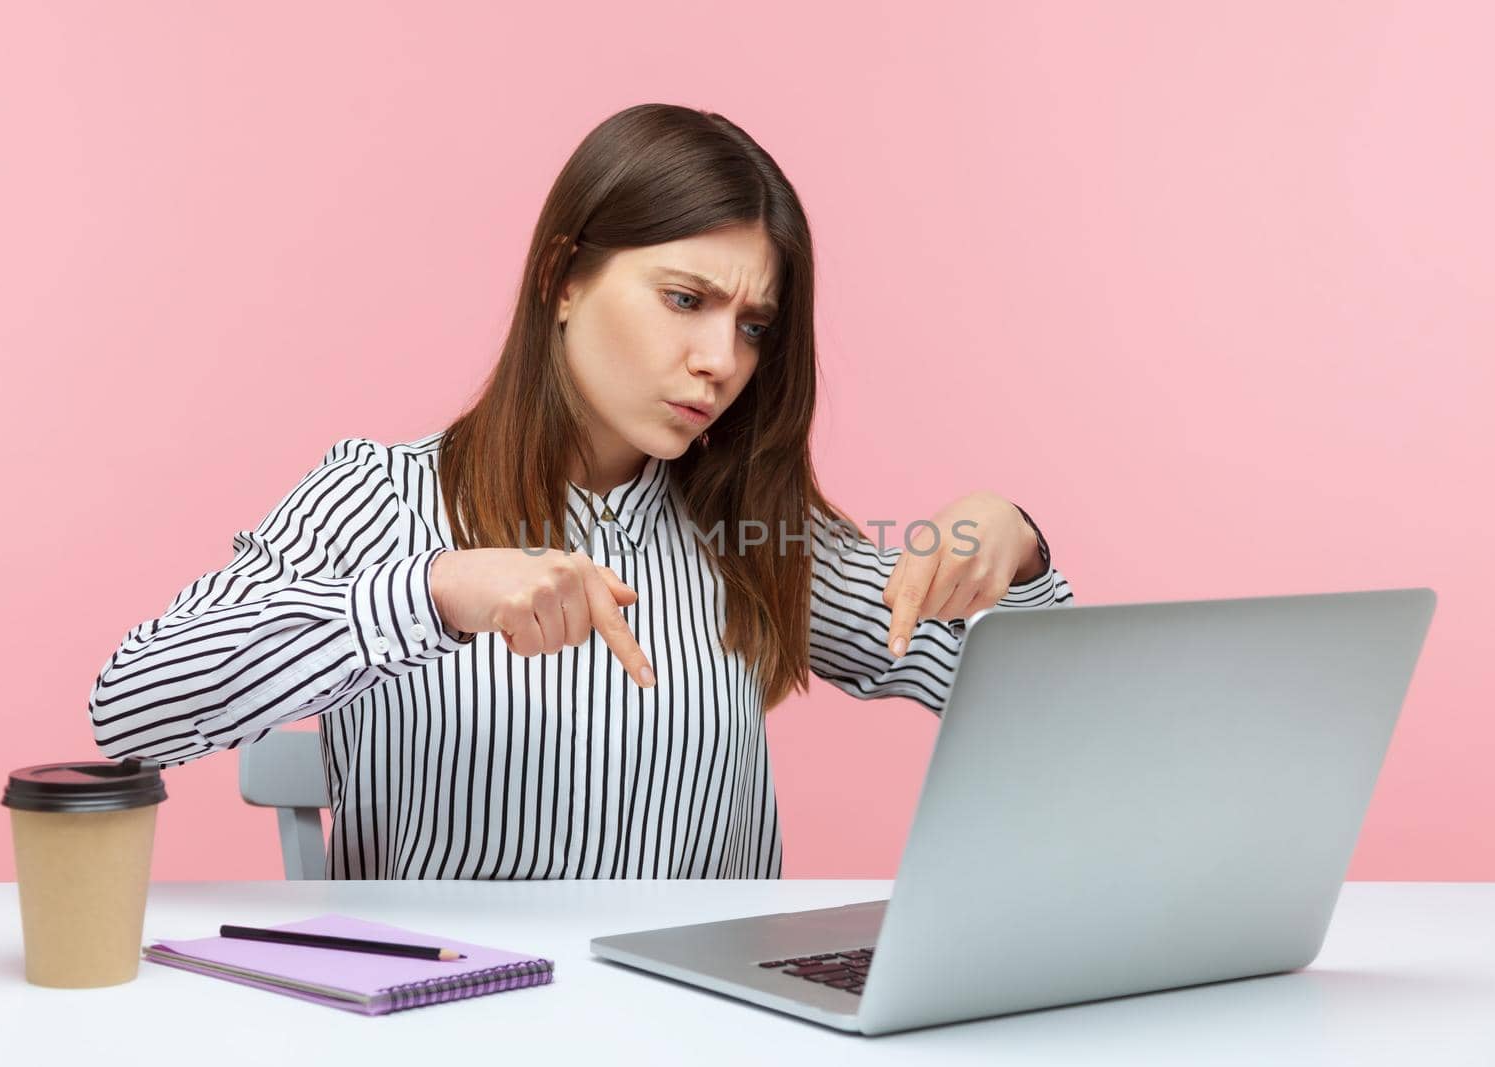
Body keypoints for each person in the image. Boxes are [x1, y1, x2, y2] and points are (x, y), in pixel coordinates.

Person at [88, 103, 1075, 879]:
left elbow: (1046, 717)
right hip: (452, 1020)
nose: (719, 360)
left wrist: (1014, 547)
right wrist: (433, 592)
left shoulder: (756, 530)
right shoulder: (376, 495)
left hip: (707, 1028)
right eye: (685, 300)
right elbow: (131, 707)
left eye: (753, 326)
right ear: (564, 279)